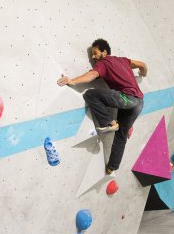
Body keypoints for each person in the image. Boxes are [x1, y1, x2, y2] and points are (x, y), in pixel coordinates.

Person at [57, 39, 147, 174]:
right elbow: (142, 64)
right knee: (121, 135)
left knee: (90, 95)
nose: (93, 57)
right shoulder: (122, 60)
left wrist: (71, 80)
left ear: (104, 52)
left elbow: (92, 75)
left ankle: (109, 122)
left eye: (95, 53)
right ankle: (112, 167)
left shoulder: (104, 63)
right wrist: (143, 73)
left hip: (127, 98)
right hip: (139, 102)